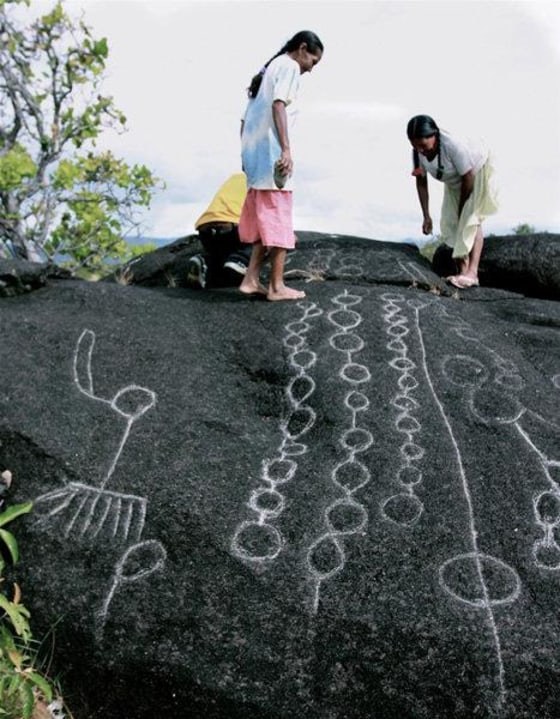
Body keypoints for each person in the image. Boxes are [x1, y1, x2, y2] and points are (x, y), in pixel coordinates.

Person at [237, 30, 324, 301]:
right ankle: (276, 286)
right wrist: (286, 149)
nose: (310, 69)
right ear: (302, 49)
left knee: (266, 219)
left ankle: (251, 279)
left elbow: (244, 120)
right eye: (313, 61)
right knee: (278, 221)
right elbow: (278, 106)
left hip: (256, 158)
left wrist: (246, 157)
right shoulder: (288, 66)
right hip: (272, 156)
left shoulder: (267, 70)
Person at [407, 114, 499, 289]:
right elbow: (421, 182)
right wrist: (426, 216)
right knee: (450, 222)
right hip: (454, 180)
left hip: (476, 171)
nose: (421, 150)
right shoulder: (417, 152)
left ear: (434, 135)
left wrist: (463, 207)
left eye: (424, 146)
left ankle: (473, 273)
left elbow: (468, 176)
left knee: (470, 219)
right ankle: (462, 271)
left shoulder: (452, 145)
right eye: (415, 146)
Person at [186, 172, 252, 289]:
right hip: (229, 223)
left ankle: (204, 262)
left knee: (219, 255)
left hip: (205, 226)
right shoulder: (259, 181)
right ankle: (240, 260)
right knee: (265, 240)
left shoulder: (234, 178)